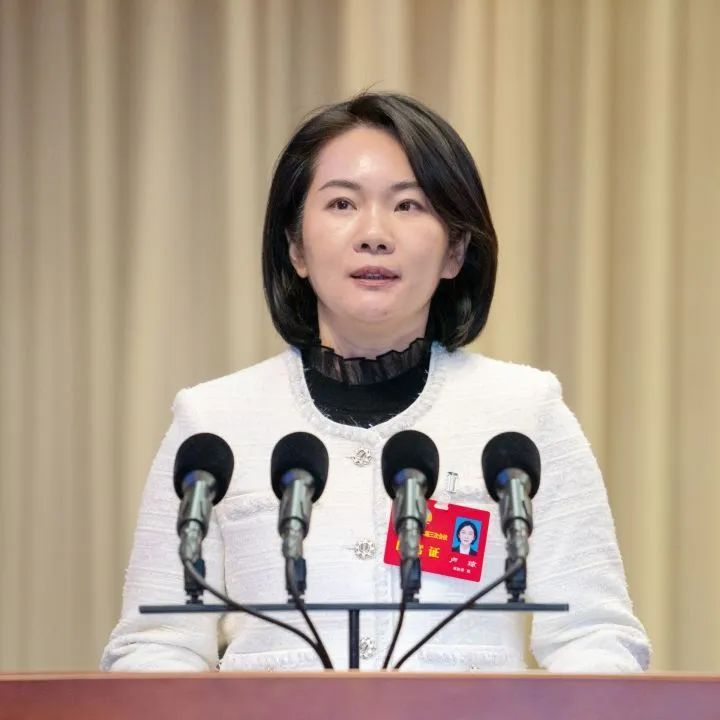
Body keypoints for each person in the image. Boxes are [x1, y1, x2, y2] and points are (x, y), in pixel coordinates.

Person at [102, 92, 650, 673]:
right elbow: (156, 644)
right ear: (296, 246)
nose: (374, 234)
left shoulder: (522, 415)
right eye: (341, 203)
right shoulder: (213, 424)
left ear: (455, 250)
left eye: (409, 205)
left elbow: (596, 637)